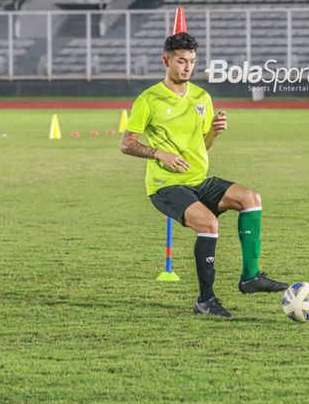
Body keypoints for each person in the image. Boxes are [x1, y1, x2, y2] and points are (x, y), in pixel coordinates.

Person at [120, 32, 289, 318]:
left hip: (200, 179)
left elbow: (203, 144)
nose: (187, 67)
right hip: (166, 185)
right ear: (166, 61)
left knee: (251, 199)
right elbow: (127, 144)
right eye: (181, 61)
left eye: (193, 61)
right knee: (209, 224)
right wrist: (159, 153)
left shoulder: (202, 97)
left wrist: (214, 132)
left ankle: (250, 278)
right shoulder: (148, 100)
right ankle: (206, 300)